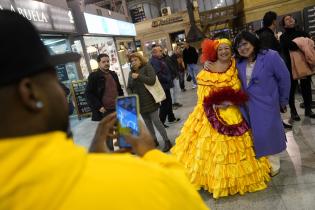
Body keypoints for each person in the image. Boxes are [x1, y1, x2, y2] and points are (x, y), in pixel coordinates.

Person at [0, 10, 209, 210]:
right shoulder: (137, 185)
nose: (62, 91)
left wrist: (92, 160)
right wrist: (149, 153)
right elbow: (182, 198)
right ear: (30, 93)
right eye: (54, 80)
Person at [171, 38, 270, 199]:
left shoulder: (236, 65)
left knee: (240, 150)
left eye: (226, 48)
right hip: (210, 114)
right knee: (212, 151)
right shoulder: (207, 70)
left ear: (232, 50)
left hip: (235, 111)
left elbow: (244, 86)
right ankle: (214, 179)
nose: (223, 52)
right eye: (220, 49)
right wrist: (216, 102)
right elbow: (203, 97)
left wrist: (231, 100)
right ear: (214, 52)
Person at [233, 31, 291, 176]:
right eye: (239, 46)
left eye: (245, 43)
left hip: (268, 103)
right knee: (257, 134)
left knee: (269, 133)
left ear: (253, 42)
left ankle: (274, 165)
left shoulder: (270, 56)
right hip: (248, 105)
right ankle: (262, 164)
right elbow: (221, 60)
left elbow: (284, 78)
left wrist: (283, 101)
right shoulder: (238, 61)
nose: (243, 48)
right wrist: (209, 62)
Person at [127, 52, 172, 152]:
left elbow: (152, 80)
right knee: (147, 123)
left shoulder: (147, 67)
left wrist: (138, 76)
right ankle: (154, 140)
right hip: (139, 102)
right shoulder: (131, 72)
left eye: (135, 60)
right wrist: (131, 95)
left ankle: (167, 141)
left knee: (157, 122)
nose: (133, 62)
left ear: (140, 59)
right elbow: (128, 86)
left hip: (150, 100)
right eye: (132, 61)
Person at [256, 11, 292, 129]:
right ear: (273, 21)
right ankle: (276, 123)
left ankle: (278, 121)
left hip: (271, 73)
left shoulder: (265, 34)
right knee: (273, 99)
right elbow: (268, 57)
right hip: (271, 75)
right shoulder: (267, 36)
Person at [280, 14, 315, 120]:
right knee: (291, 90)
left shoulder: (303, 32)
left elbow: (311, 44)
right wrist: (302, 42)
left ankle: (308, 109)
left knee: (306, 88)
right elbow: (289, 46)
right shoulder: (283, 37)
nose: (290, 19)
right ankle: (293, 112)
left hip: (304, 64)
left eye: (291, 18)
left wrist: (298, 44)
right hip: (290, 66)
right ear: (284, 24)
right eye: (287, 19)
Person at [85, 53, 124, 150]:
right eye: (104, 62)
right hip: (106, 110)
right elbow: (88, 93)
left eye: (108, 61)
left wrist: (123, 101)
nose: (106, 63)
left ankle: (124, 150)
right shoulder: (94, 76)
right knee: (108, 134)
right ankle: (110, 153)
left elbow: (119, 90)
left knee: (122, 131)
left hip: (118, 107)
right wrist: (99, 106)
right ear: (99, 63)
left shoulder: (113, 74)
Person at [150, 45, 180, 128]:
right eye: (160, 51)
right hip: (162, 85)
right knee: (165, 104)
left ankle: (171, 118)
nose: (162, 52)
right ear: (155, 53)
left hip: (165, 85)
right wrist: (168, 78)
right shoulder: (154, 61)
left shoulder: (159, 59)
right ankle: (161, 122)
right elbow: (158, 74)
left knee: (168, 102)